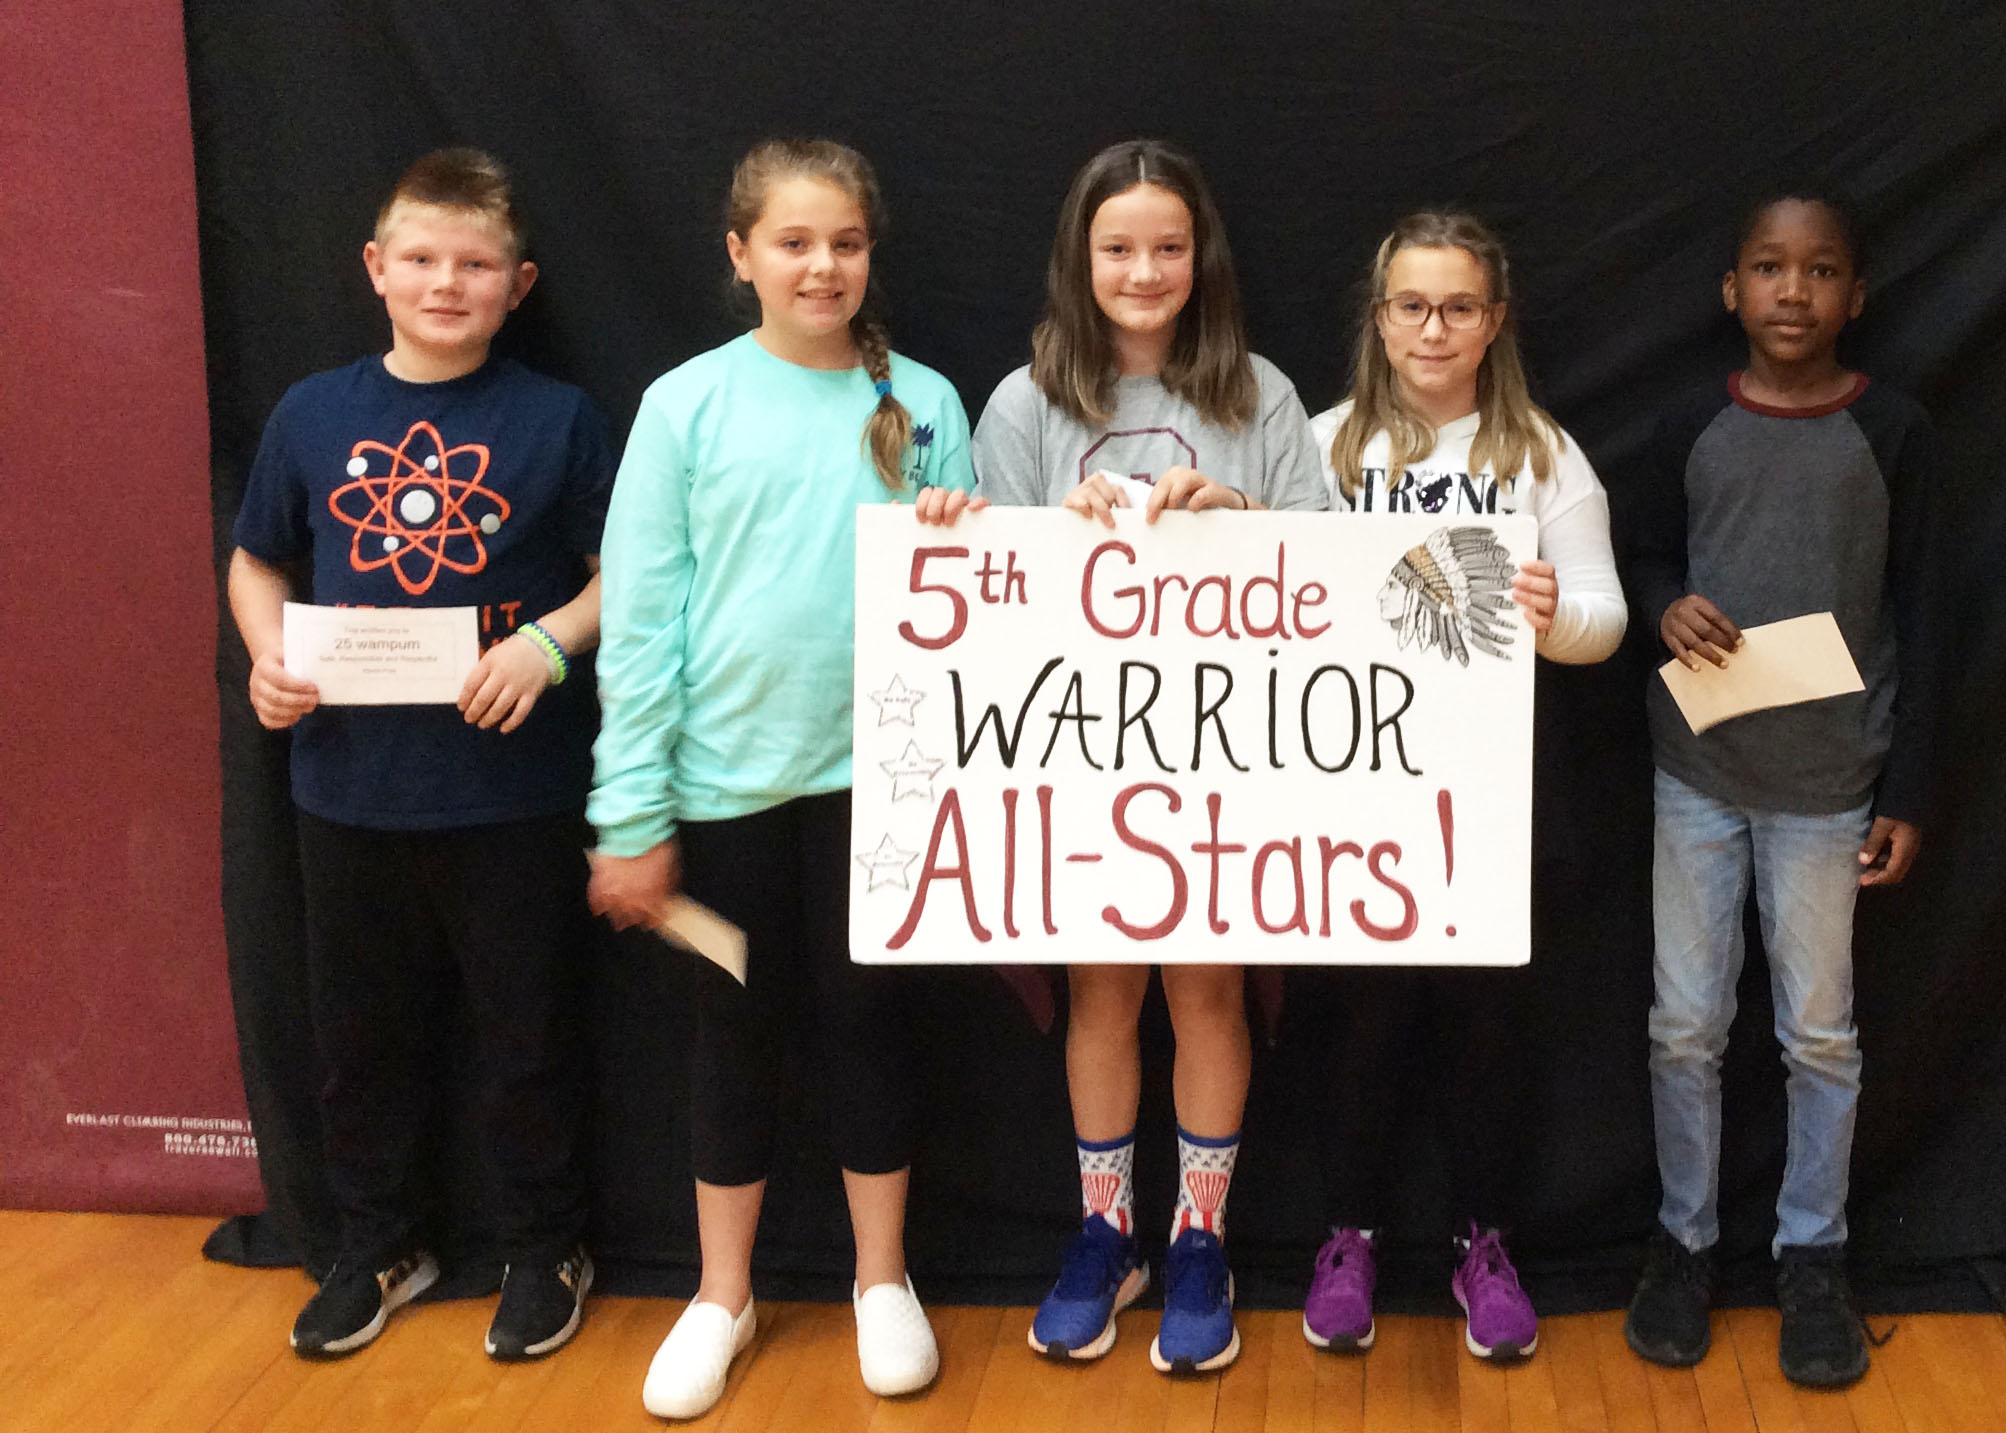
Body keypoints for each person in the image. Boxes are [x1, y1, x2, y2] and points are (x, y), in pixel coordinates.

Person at [586, 138, 974, 1419]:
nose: (824, 264)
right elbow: (641, 623)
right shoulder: (684, 404)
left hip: (886, 788)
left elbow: (982, 608)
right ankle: (723, 1293)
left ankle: (880, 1278)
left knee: (872, 1026)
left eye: (847, 242)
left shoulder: (924, 401)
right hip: (723, 792)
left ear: (873, 254)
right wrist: (629, 814)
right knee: (733, 1036)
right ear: (741, 253)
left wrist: (959, 533)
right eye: (795, 241)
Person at [227, 148, 612, 1361]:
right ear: (376, 270)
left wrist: (549, 644)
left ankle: (546, 1244)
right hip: (346, 789)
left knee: (526, 1036)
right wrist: (266, 653)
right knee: (357, 1042)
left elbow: (626, 575)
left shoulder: (558, 417)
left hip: (513, 793)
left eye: (477, 264)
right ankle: (379, 1241)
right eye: (425, 260)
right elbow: (257, 559)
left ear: (519, 282)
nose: (449, 283)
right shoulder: (311, 411)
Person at [965, 137, 1327, 1375]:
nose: (1144, 268)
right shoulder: (1022, 404)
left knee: (1208, 988)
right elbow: (982, 601)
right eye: (1118, 246)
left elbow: (1333, 576)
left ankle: (1200, 1239)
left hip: (1231, 762)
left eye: (1168, 246)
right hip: (1079, 763)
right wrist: (1024, 537)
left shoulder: (1258, 395)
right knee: (1102, 990)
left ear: (1201, 257)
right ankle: (1105, 1231)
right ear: (1081, 256)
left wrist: (1243, 520)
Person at [1619, 190, 1934, 1389]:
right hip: (1698, 774)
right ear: (1730, 293)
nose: (1792, 291)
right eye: (1767, 267)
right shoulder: (1688, 422)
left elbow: (1929, 607)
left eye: (1818, 271)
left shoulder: (1893, 431)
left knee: (1819, 1033)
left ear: (1856, 294)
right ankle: (1684, 1242)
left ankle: (1814, 1255)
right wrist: (1663, 605)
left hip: (1829, 787)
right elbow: (1644, 550)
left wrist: (1911, 780)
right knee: (1685, 1024)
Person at [1299, 211, 1626, 1360]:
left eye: (1458, 307)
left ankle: (1486, 1243)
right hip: (1351, 796)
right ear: (1379, 319)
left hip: (1490, 796)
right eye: (1411, 305)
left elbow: (1606, 618)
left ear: (1495, 321)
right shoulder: (1324, 443)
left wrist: (1553, 617)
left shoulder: (1539, 452)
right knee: (1362, 1022)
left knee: (1486, 1027)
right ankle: (1347, 1236)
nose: (1433, 329)